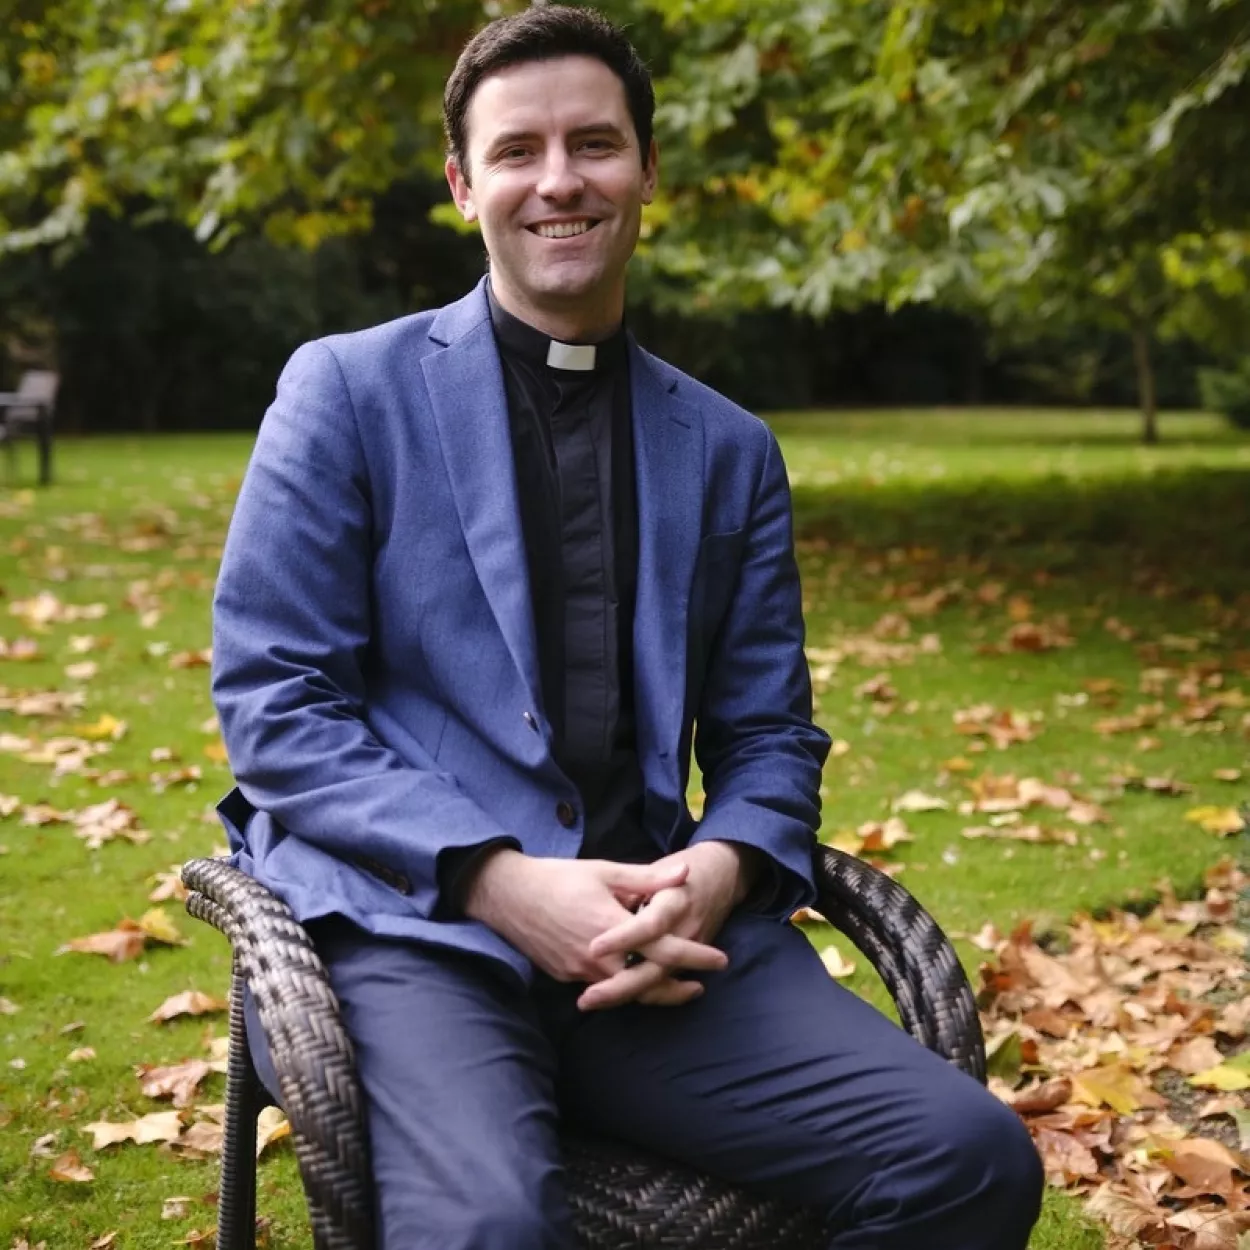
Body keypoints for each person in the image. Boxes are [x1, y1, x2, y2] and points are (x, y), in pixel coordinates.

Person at [211, 7, 1044, 1248]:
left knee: (969, 1158)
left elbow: (768, 736)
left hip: (658, 951)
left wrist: (715, 874)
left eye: (594, 144)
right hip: (411, 935)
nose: (558, 180)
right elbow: (276, 702)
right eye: (516, 151)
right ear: (461, 182)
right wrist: (497, 880)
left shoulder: (728, 450)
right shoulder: (345, 392)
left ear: (647, 171)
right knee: (487, 1225)